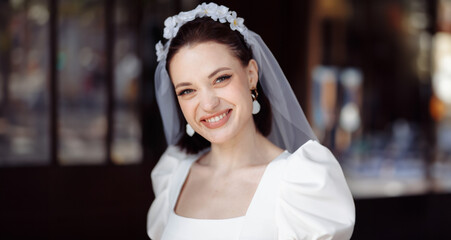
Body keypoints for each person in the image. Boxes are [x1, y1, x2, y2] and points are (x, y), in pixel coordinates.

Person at [148, 2, 355, 240]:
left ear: (251, 75)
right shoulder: (174, 176)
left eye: (220, 79)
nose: (208, 104)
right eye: (187, 91)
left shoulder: (301, 184)